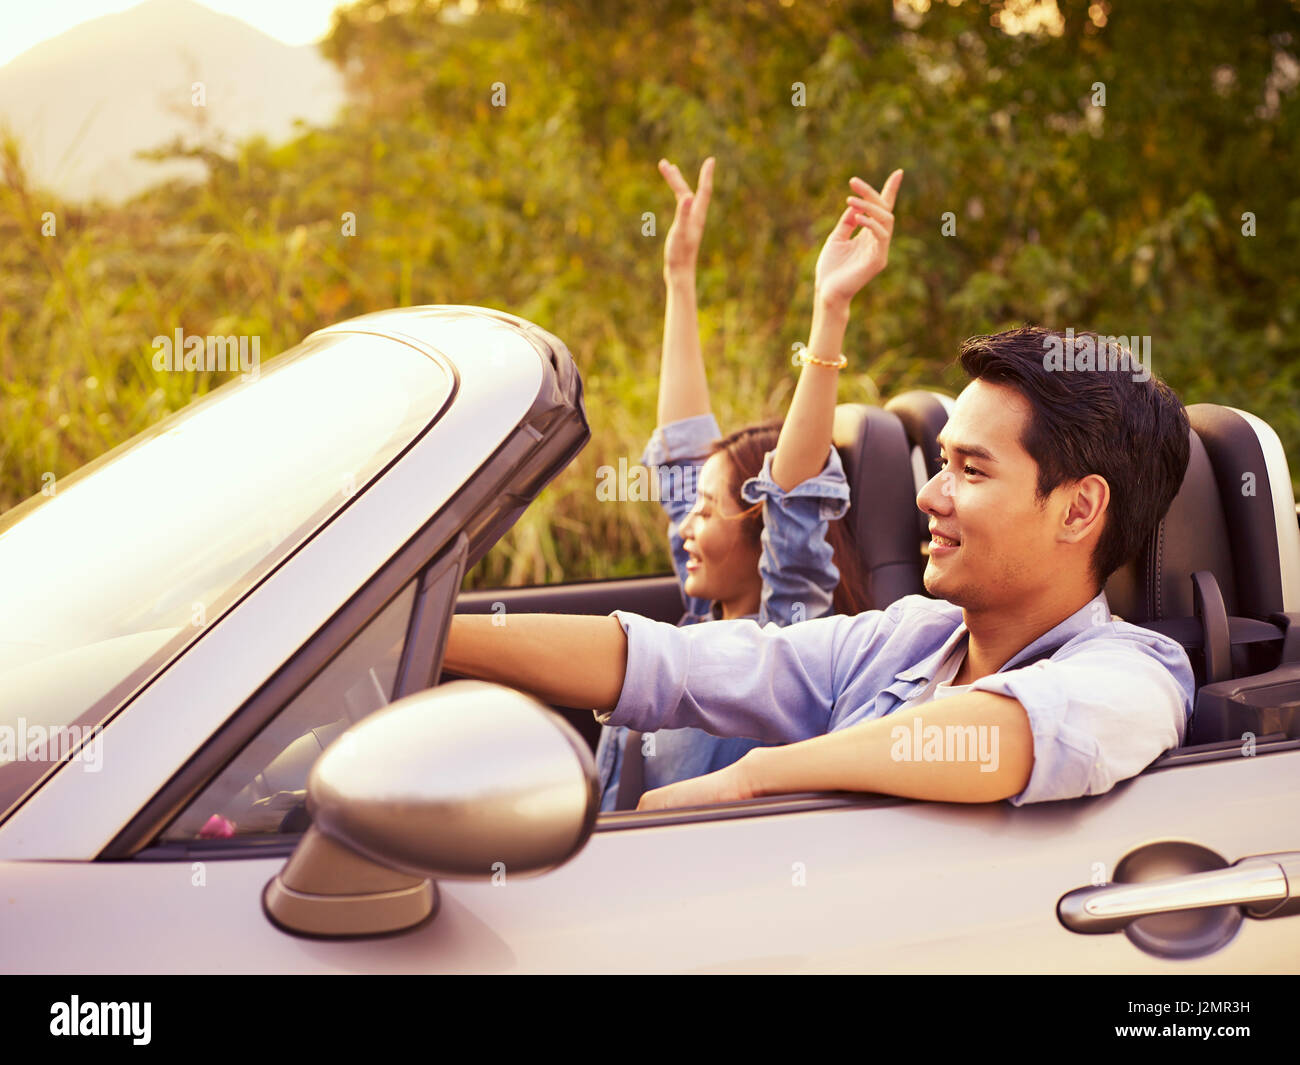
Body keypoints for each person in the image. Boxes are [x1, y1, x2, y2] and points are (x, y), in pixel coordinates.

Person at [445, 316, 1197, 812]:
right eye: (941, 463)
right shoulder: (906, 637)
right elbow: (672, 659)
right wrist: (428, 633)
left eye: (971, 470)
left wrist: (749, 779)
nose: (930, 496)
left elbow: (1008, 730)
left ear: (1078, 509)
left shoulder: (1138, 673)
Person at [592, 157, 899, 810]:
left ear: (761, 530)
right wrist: (678, 278)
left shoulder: (784, 641)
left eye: (705, 512)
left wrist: (830, 308)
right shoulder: (705, 614)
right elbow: (682, 452)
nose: (684, 525)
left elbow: (793, 500)